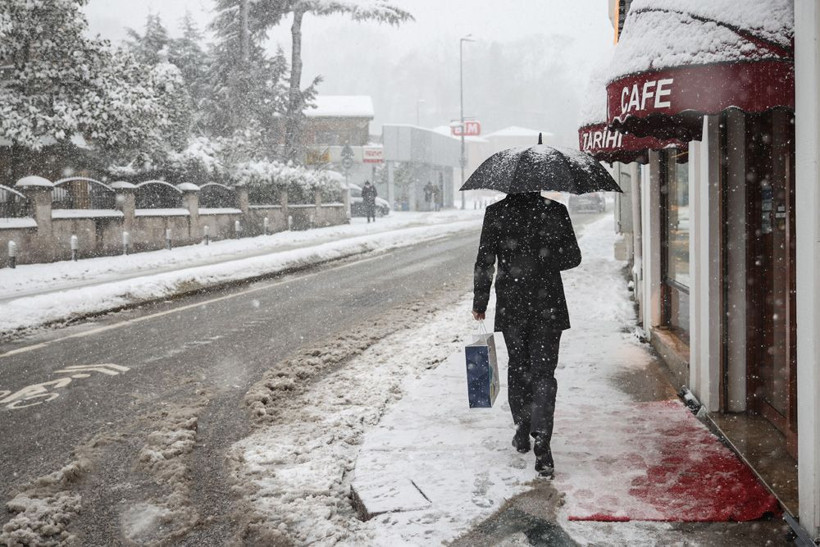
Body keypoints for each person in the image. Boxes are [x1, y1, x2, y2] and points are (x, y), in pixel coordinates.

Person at [472, 192, 581, 478]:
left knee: (519, 366)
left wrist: (480, 302)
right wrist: (545, 256)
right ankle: (542, 439)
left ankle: (522, 428)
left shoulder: (496, 212)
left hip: (512, 305)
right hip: (549, 306)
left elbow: (485, 260)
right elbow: (573, 256)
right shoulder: (555, 210)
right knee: (544, 372)